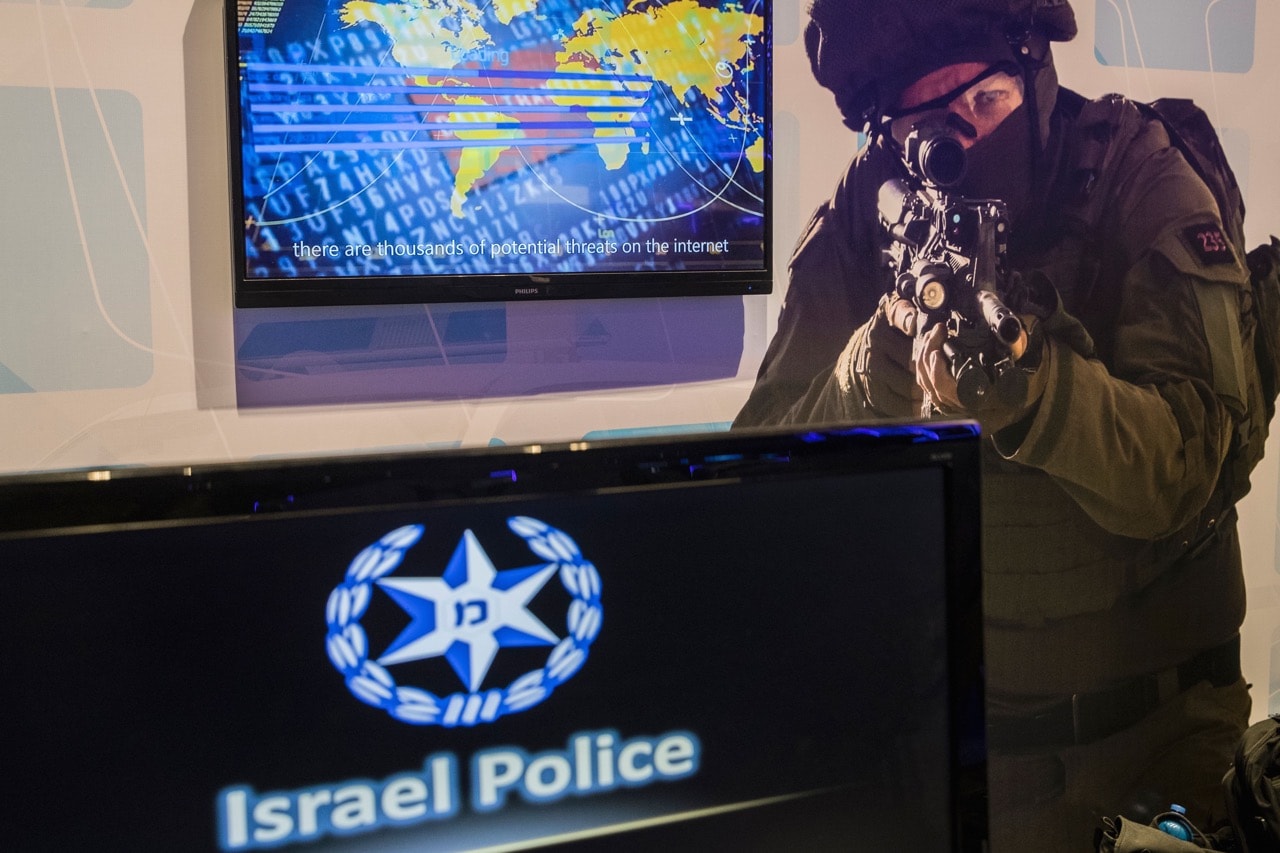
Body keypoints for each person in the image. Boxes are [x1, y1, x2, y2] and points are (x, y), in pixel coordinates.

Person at [734, 1, 1253, 848]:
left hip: (1164, 736)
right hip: (982, 741)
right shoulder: (867, 209)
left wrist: (1039, 393)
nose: (962, 146)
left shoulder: (1137, 174)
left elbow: (1185, 472)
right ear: (889, 134)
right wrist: (864, 385)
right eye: (929, 124)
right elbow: (758, 487)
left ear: (1035, 75)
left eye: (988, 104)